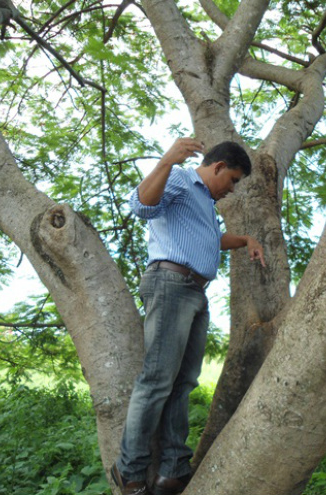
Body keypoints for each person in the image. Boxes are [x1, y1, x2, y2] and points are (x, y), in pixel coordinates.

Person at [111, 137, 266, 495]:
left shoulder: (205, 203)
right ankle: (130, 471)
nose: (232, 190)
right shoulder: (181, 178)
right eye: (233, 180)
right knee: (156, 381)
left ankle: (173, 470)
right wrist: (167, 159)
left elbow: (210, 240)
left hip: (194, 292)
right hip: (171, 284)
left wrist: (244, 240)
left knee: (183, 384)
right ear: (218, 167)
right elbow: (141, 206)